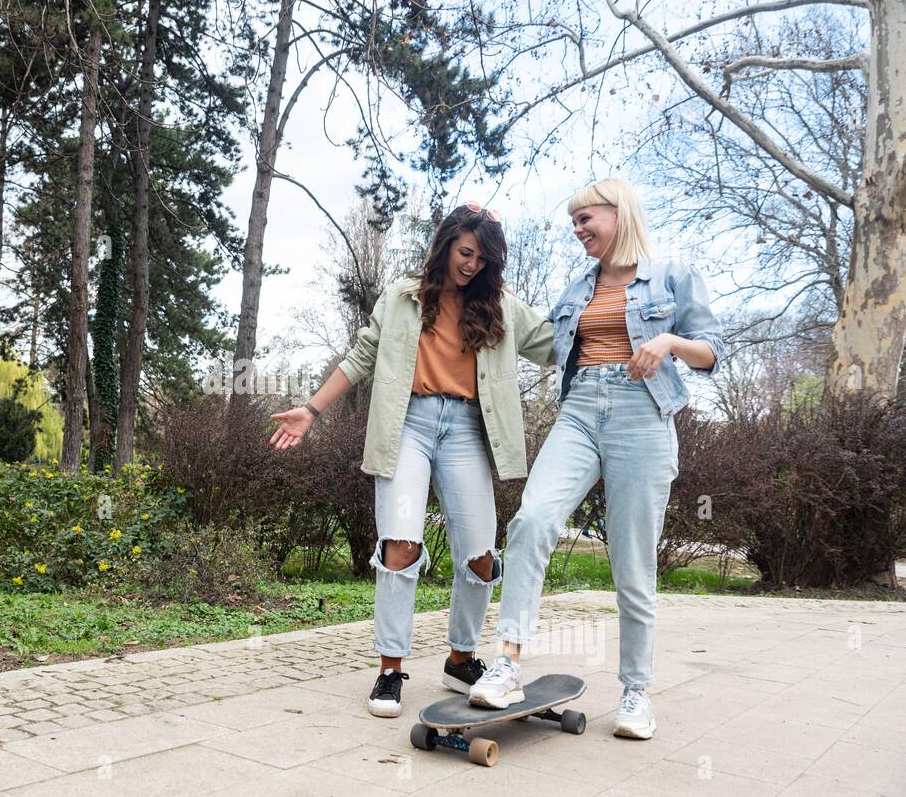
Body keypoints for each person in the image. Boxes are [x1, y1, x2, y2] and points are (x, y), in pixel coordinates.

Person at [270, 199, 555, 717]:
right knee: (400, 545)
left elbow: (556, 343)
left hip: (469, 429)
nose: (471, 265)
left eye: (483, 260)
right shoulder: (403, 296)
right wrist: (312, 409)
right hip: (408, 425)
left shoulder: (503, 307)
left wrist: (610, 320)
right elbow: (361, 355)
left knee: (480, 556)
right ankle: (390, 670)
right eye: (466, 252)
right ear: (446, 244)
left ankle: (460, 658)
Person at [468, 178, 724, 740]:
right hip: (580, 410)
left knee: (633, 564)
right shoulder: (576, 288)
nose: (580, 231)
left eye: (587, 219)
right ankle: (508, 661)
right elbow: (543, 341)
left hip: (642, 415)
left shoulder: (673, 274)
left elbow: (711, 350)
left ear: (619, 213)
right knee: (531, 520)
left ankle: (635, 693)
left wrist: (669, 343)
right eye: (574, 223)